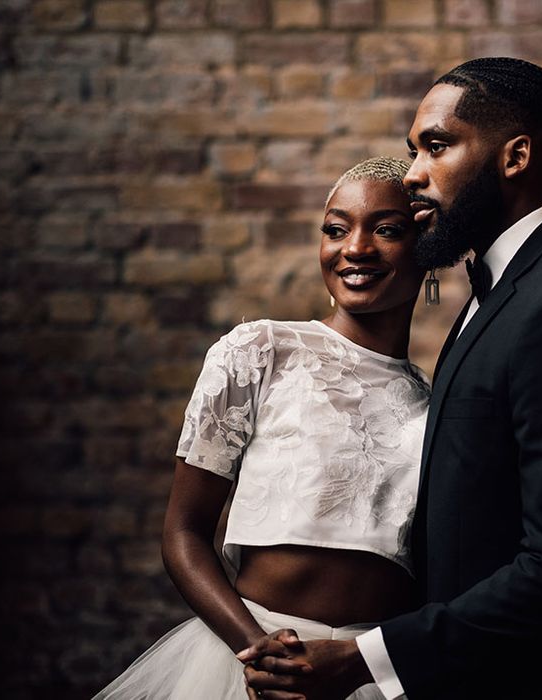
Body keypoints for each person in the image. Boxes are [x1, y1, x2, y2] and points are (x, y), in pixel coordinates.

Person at [240, 57, 542, 700]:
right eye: (413, 149)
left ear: (515, 157)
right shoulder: (499, 293)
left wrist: (365, 658)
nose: (414, 174)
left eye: (437, 146)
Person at [92, 157, 432, 699]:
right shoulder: (260, 352)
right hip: (248, 661)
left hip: (365, 675)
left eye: (386, 230)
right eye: (336, 230)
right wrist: (258, 651)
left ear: (428, 249)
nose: (355, 249)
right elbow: (183, 533)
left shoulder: (436, 403)